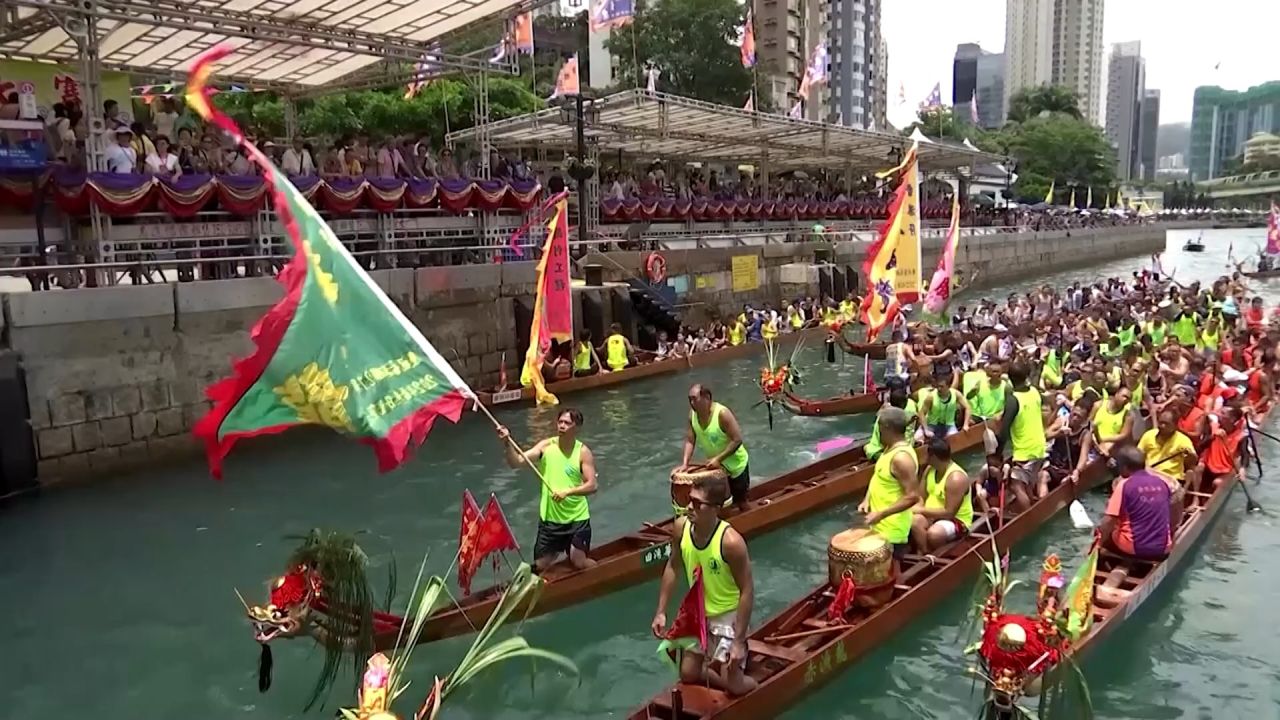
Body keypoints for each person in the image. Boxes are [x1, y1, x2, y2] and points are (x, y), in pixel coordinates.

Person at [650, 475, 756, 697]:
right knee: (688, 674)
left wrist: (738, 641)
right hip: (699, 614)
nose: (689, 507)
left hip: (728, 617)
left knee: (734, 687)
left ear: (716, 508)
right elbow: (673, 566)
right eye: (689, 500)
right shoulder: (680, 528)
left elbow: (747, 590)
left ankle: (756, 686)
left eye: (698, 504)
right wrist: (661, 612)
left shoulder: (731, 543)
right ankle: (719, 667)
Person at [497, 409, 598, 572]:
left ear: (577, 427)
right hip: (550, 520)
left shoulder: (583, 453)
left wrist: (567, 492)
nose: (562, 426)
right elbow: (517, 462)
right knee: (540, 566)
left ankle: (598, 573)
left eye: (567, 423)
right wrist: (507, 442)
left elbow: (592, 485)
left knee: (578, 562)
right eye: (560, 422)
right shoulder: (546, 446)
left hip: (577, 519)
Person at [856, 407, 922, 559]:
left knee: (890, 572)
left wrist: (880, 514)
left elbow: (912, 497)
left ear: (886, 428)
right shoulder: (888, 450)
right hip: (880, 525)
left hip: (891, 530)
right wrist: (867, 499)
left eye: (878, 427)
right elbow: (878, 476)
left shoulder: (901, 459)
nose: (876, 431)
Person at [679, 384, 751, 511]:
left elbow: (737, 440)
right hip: (717, 468)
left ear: (707, 397)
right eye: (689, 399)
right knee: (717, 503)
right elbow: (690, 440)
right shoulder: (692, 416)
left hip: (736, 466)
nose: (691, 403)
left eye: (694, 399)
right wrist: (685, 464)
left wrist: (718, 458)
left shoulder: (722, 414)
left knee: (741, 502)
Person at [1102, 445, 1175, 560]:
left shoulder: (1124, 485)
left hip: (1132, 548)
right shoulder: (1162, 483)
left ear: (1125, 468)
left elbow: (1109, 521)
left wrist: (1097, 543)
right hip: (1163, 548)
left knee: (1104, 534)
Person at [997, 361, 1048, 509]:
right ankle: (1031, 507)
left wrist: (998, 453)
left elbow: (1004, 430)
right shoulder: (1034, 392)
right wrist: (1037, 368)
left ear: (1010, 379)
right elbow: (1034, 380)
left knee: (1016, 486)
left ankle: (1029, 516)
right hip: (1039, 447)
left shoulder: (1013, 400)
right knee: (1027, 485)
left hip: (1024, 451)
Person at [911, 437, 974, 551]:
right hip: (931, 515)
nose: (924, 458)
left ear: (933, 457)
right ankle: (927, 554)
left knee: (934, 534)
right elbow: (921, 497)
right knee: (914, 521)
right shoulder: (929, 470)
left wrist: (920, 511)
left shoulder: (956, 478)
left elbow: (949, 512)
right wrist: (916, 509)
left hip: (955, 520)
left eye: (926, 455)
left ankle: (935, 551)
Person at [1137, 410, 1198, 489]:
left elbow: (1192, 462)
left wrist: (1190, 456)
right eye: (1161, 422)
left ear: (1175, 425)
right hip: (1148, 474)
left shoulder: (1183, 440)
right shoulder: (1149, 435)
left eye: (1166, 424)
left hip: (1170, 479)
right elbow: (1138, 455)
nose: (1162, 426)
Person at [917, 371, 972, 438]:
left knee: (954, 438)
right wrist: (926, 429)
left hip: (949, 424)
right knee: (918, 436)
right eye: (938, 386)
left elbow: (967, 407)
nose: (939, 389)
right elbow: (921, 413)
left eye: (942, 387)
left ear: (948, 387)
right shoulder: (931, 397)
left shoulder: (956, 394)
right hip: (932, 424)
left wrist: (966, 424)